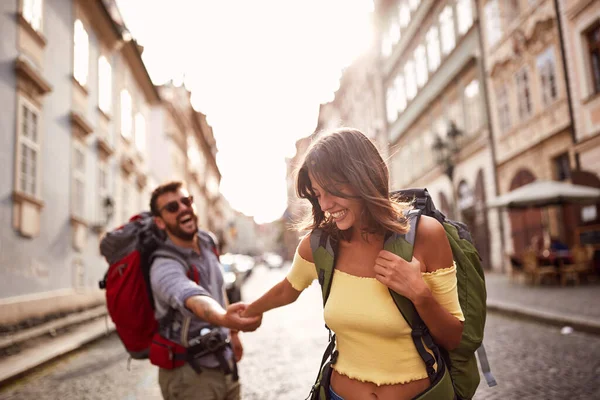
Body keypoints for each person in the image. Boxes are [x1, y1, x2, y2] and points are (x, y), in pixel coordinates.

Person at [242, 128, 464, 400]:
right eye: (317, 194)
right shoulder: (319, 245)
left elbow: (453, 339)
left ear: (362, 177)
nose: (324, 205)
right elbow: (289, 287)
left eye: (331, 190)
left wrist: (420, 294)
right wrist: (248, 311)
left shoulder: (425, 235)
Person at [149, 181, 262, 400]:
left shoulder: (207, 240)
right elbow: (192, 297)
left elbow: (218, 289)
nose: (183, 208)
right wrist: (225, 319)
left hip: (224, 362)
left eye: (186, 201)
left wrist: (233, 334)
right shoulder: (163, 264)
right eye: (172, 208)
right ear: (160, 222)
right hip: (189, 375)